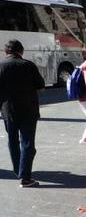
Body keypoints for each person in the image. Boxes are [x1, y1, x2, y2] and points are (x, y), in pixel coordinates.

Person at [0, 39, 45, 187]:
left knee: (12, 141)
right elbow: (40, 85)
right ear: (21, 51)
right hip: (28, 110)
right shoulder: (28, 65)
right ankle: (25, 177)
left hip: (8, 111)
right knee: (27, 142)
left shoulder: (0, 66)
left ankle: (17, 170)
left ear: (6, 52)